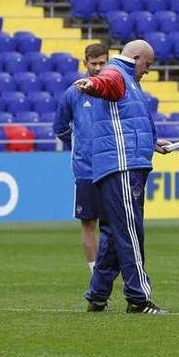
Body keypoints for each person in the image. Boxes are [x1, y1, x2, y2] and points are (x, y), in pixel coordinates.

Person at [77, 40, 175, 314]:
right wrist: (92, 85)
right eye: (148, 64)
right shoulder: (117, 73)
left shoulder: (129, 80)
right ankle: (138, 298)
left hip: (122, 165)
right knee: (130, 231)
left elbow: (129, 120)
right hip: (122, 167)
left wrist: (152, 143)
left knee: (113, 232)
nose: (148, 70)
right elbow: (104, 82)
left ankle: (97, 295)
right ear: (137, 57)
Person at [54, 43, 109, 277]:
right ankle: (95, 274)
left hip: (113, 167)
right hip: (86, 169)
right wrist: (81, 146)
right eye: (93, 63)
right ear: (85, 63)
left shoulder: (116, 90)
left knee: (115, 225)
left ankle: (114, 269)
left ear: (108, 62)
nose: (97, 68)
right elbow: (60, 127)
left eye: (102, 63)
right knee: (89, 223)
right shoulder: (73, 93)